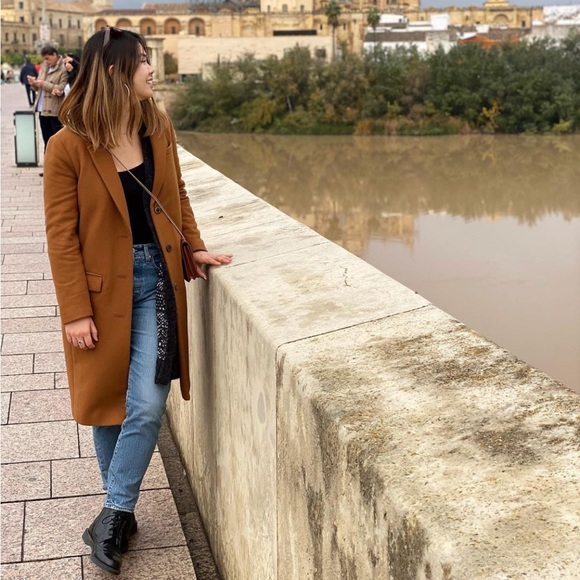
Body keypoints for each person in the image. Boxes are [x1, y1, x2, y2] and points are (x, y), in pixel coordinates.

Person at [43, 28, 233, 576]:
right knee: (107, 399)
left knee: (147, 403)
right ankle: (119, 515)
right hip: (101, 290)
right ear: (114, 72)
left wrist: (194, 246)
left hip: (157, 280)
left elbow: (177, 194)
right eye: (143, 60)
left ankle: (114, 512)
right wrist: (75, 310)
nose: (152, 68)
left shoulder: (156, 126)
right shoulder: (68, 145)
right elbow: (61, 235)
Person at [29, 45, 68, 153]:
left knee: (57, 140)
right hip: (42, 109)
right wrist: (34, 83)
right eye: (44, 59)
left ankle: (58, 161)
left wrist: (43, 84)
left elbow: (61, 88)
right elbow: (39, 87)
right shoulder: (44, 67)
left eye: (48, 58)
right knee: (46, 139)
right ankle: (48, 161)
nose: (46, 61)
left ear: (54, 55)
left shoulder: (63, 68)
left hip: (55, 109)